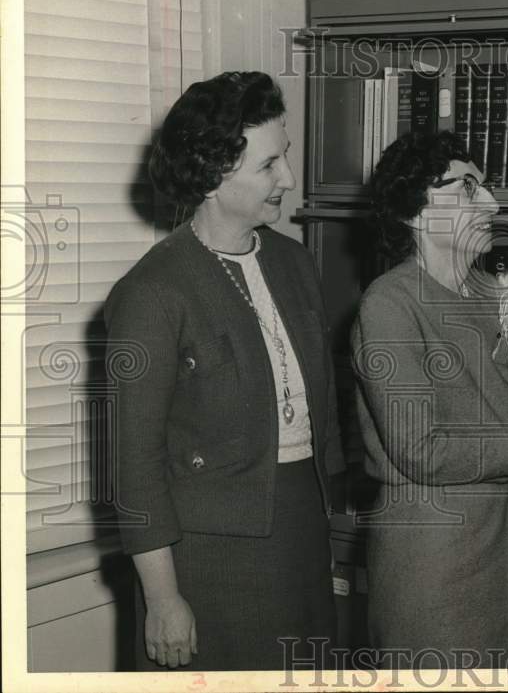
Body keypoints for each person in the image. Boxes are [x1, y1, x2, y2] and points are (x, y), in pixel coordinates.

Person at [104, 71, 344, 670]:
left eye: (283, 157)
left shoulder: (295, 263)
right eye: (268, 166)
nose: (287, 178)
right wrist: (161, 598)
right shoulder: (153, 291)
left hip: (302, 534)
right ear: (213, 176)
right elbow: (135, 464)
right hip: (206, 558)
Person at [351, 131, 508, 670]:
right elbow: (422, 450)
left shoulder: (489, 294)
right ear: (416, 210)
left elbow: (491, 423)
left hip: (501, 545)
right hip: (431, 555)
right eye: (470, 187)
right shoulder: (388, 303)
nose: (493, 203)